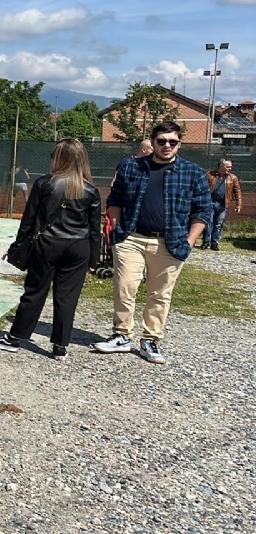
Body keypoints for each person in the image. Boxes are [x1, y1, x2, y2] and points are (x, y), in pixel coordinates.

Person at [92, 122, 211, 365]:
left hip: (171, 242)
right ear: (153, 142)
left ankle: (150, 339)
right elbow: (115, 199)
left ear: (180, 144)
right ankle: (122, 335)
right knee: (124, 286)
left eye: (172, 142)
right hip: (132, 237)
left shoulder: (193, 172)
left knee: (160, 294)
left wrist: (189, 241)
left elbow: (203, 211)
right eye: (162, 141)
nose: (167, 146)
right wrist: (116, 232)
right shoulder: (131, 167)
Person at [0, 139, 102, 360]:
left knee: (34, 292)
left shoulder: (45, 184)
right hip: (79, 247)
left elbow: (28, 221)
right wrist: (93, 261)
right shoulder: (91, 190)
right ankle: (60, 346)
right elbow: (95, 229)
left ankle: (15, 338)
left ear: (59, 158)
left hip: (47, 244)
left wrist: (17, 247)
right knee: (67, 297)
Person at [203, 158, 242, 251]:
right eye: (228, 167)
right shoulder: (210, 175)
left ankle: (214, 243)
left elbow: (237, 191)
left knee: (218, 224)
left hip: (223, 204)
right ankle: (206, 241)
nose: (230, 169)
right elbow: (202, 187)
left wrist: (238, 204)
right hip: (210, 202)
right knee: (208, 223)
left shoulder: (233, 178)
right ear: (221, 166)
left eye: (231, 167)